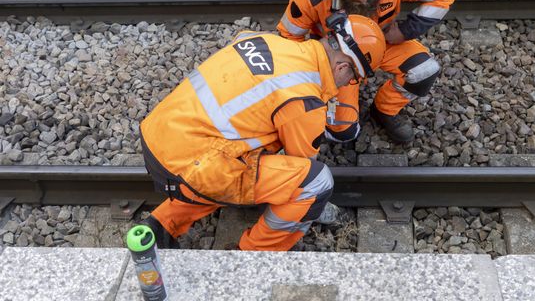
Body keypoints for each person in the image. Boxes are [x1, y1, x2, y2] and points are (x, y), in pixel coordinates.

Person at [139, 13, 386, 251]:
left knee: (235, 155)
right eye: (354, 79)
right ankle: (254, 253)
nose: (348, 85)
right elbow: (299, 161)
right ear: (343, 67)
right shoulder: (305, 99)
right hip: (189, 164)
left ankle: (161, 225)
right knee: (314, 183)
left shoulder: (268, 41)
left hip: (161, 134)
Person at [277, 0, 456, 143]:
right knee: (341, 132)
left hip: (382, 45)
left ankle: (384, 110)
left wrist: (403, 31)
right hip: (338, 60)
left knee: (424, 71)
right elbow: (287, 38)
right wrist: (316, 73)